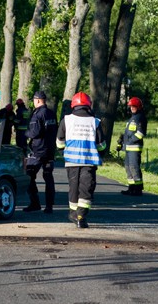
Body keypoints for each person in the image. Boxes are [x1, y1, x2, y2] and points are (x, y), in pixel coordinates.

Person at [56, 92, 106, 228]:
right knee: (86, 188)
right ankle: (81, 216)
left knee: (73, 187)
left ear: (73, 105)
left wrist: (65, 153)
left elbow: (59, 143)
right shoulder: (95, 122)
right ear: (88, 105)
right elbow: (102, 145)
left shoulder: (66, 120)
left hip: (71, 161)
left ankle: (73, 213)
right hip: (88, 162)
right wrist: (101, 154)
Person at [22, 91, 58, 213]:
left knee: (28, 175)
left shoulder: (37, 114)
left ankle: (35, 203)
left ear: (37, 100)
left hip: (38, 151)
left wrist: (25, 133)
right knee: (48, 177)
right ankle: (49, 206)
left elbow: (35, 133)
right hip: (50, 150)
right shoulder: (51, 113)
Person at [119, 97, 148, 196]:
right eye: (131, 106)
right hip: (128, 148)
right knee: (128, 167)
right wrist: (122, 140)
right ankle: (131, 188)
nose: (132, 108)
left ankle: (138, 189)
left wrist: (130, 141)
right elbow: (129, 133)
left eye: (134, 106)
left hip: (134, 148)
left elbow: (140, 133)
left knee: (134, 167)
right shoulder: (132, 118)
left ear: (138, 107)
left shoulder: (140, 117)